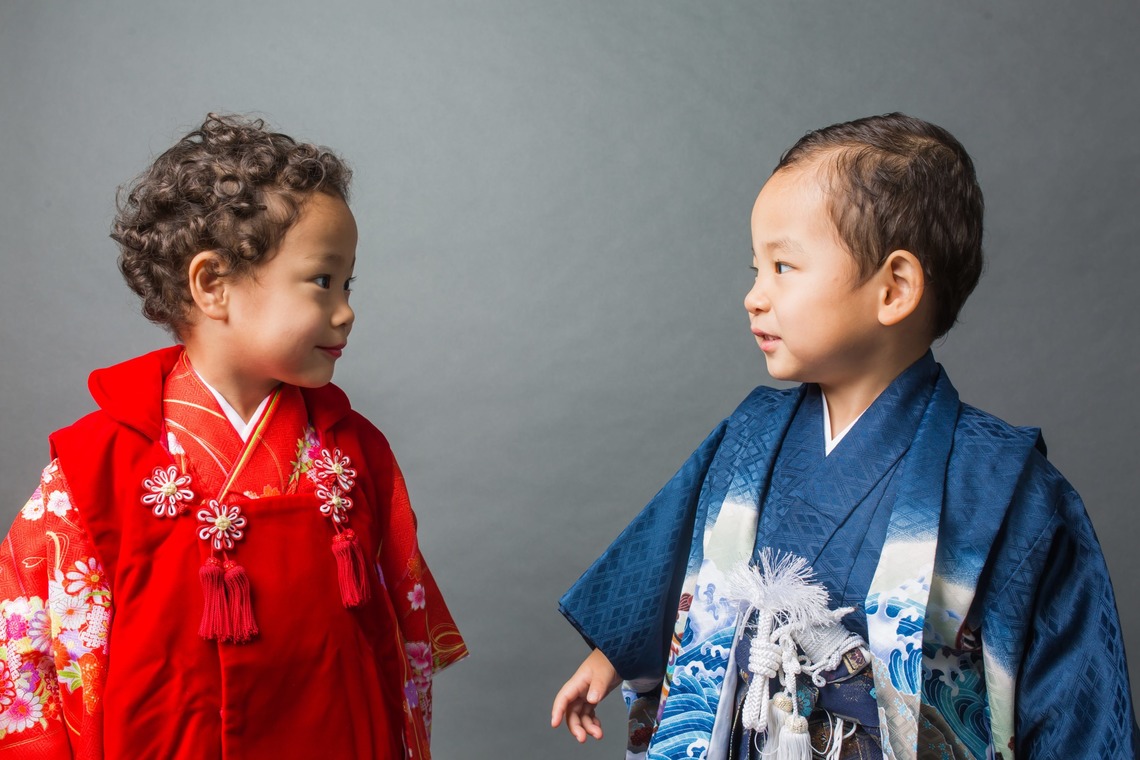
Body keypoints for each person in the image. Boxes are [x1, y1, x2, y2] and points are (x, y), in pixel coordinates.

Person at [552, 113, 1138, 759]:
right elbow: (668, 562)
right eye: (756, 267)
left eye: (783, 267)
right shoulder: (748, 439)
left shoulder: (1004, 484)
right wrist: (613, 654)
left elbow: (1071, 693)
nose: (754, 296)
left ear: (894, 288)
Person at [0, 114, 466, 758]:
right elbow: (38, 651)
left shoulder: (355, 449)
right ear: (212, 285)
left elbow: (397, 640)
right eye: (322, 281)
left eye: (348, 282)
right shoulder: (96, 464)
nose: (346, 309)